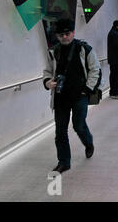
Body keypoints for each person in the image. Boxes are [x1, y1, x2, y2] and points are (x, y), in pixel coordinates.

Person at [43, 19, 102, 174]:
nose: (64, 37)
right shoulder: (53, 51)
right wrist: (47, 82)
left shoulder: (84, 49)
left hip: (79, 96)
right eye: (61, 34)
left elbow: (95, 69)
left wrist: (87, 89)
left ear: (73, 33)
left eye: (67, 33)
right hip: (60, 97)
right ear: (56, 35)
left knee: (78, 125)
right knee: (60, 131)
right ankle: (64, 162)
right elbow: (48, 71)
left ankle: (88, 143)